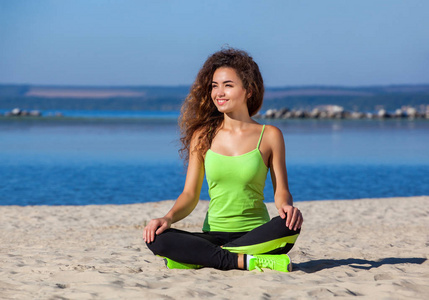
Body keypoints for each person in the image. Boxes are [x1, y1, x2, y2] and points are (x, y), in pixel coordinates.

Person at [143, 48, 303, 272]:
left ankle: (201, 258)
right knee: (156, 238)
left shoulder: (270, 135)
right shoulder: (202, 136)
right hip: (214, 235)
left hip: (256, 234)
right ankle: (244, 260)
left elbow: (281, 191)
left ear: (249, 90)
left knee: (290, 224)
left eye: (228, 85)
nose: (219, 92)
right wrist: (167, 218)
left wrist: (286, 206)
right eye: (214, 86)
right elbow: (189, 194)